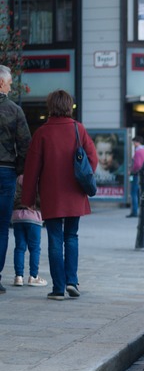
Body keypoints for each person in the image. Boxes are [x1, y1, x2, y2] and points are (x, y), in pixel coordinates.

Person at [21, 89, 98, 300]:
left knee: (55, 240)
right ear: (68, 106)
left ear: (51, 106)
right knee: (72, 236)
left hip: (52, 194)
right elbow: (93, 158)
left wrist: (27, 199)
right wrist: (81, 175)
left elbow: (32, 169)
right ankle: (72, 281)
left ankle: (58, 288)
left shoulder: (42, 133)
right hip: (75, 193)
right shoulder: (78, 129)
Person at [0, 65, 31, 294]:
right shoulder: (14, 111)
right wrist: (20, 170)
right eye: (10, 83)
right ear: (1, 84)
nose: (11, 87)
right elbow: (25, 146)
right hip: (5, 171)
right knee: (1, 228)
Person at [12, 175, 47, 287]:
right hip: (34, 217)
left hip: (17, 216)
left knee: (19, 248)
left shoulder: (18, 179)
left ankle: (18, 277)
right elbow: (42, 199)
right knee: (34, 248)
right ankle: (33, 276)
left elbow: (14, 197)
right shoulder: (38, 179)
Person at [127, 135, 144, 218]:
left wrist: (132, 170)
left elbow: (137, 164)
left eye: (134, 142)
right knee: (142, 192)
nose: (133, 144)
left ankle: (134, 211)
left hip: (137, 174)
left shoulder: (138, 151)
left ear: (137, 142)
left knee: (134, 193)